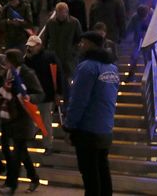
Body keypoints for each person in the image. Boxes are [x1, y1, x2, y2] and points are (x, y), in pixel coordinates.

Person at [63, 31, 120, 196]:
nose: (80, 45)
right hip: (105, 128)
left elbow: (79, 100)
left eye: (83, 42)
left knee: (90, 174)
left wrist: (69, 126)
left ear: (91, 45)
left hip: (87, 129)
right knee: (102, 170)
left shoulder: (87, 67)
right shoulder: (112, 68)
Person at [0, 49, 43, 195]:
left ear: (11, 60)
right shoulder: (8, 73)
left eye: (6, 60)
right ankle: (34, 178)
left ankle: (12, 185)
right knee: (21, 152)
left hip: (23, 117)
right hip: (10, 115)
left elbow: (40, 94)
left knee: (17, 153)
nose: (4, 63)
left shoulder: (27, 73)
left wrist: (30, 97)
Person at [24, 35, 63, 154]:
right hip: (33, 93)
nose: (30, 49)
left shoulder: (49, 57)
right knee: (35, 118)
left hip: (47, 93)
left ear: (39, 45)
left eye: (32, 46)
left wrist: (58, 92)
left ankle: (48, 145)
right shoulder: (28, 59)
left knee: (45, 120)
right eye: (29, 47)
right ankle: (33, 134)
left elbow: (58, 74)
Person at [43, 2, 82, 86]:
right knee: (55, 82)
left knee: (69, 82)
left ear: (67, 12)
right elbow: (45, 40)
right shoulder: (50, 23)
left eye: (63, 13)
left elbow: (79, 40)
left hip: (69, 59)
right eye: (59, 13)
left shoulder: (74, 22)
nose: (61, 15)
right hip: (54, 57)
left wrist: (74, 52)